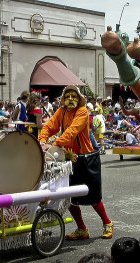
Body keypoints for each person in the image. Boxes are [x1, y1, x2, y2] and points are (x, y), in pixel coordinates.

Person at [38, 85, 113, 240]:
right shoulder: (61, 111)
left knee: (93, 195)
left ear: (79, 99)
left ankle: (107, 223)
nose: (70, 99)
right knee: (69, 196)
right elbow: (49, 126)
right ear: (64, 99)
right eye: (67, 96)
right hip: (68, 159)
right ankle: (82, 229)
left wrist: (54, 144)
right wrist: (42, 139)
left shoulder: (83, 111)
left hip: (86, 158)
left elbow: (71, 132)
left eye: (74, 96)